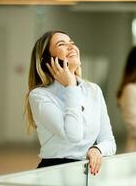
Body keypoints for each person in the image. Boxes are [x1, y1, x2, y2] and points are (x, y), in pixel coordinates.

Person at [25, 30, 116, 175]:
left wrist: (97, 149)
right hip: (54, 173)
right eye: (62, 44)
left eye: (72, 43)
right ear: (47, 60)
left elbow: (109, 142)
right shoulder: (39, 96)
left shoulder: (93, 90)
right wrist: (71, 86)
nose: (71, 47)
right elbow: (74, 136)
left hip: (86, 172)